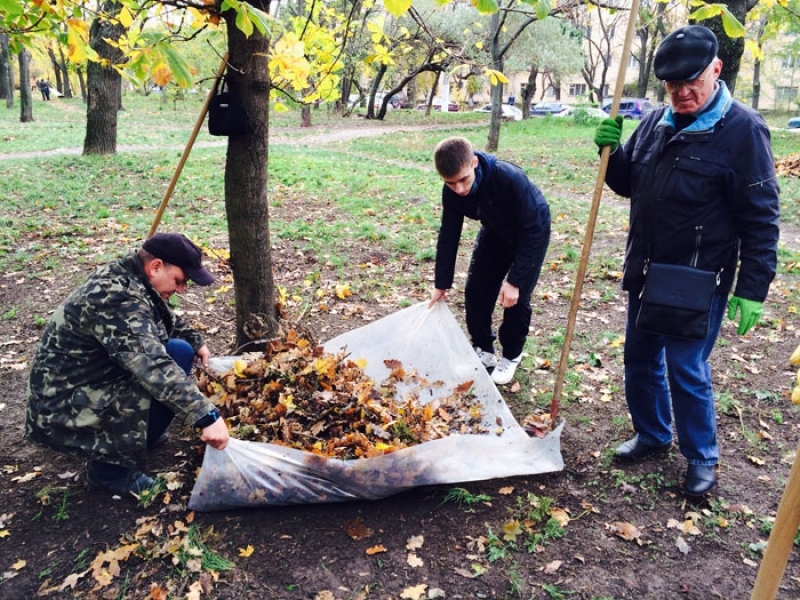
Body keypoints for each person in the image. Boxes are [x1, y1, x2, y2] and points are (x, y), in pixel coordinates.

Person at [593, 25, 780, 496]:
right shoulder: (655, 121)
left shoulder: (743, 130)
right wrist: (610, 152)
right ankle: (653, 434)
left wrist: (753, 288)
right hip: (647, 269)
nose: (682, 92)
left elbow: (761, 218)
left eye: (691, 81)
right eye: (672, 85)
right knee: (638, 359)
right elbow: (629, 183)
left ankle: (702, 457)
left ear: (716, 70)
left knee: (685, 366)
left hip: (698, 277)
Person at [26, 232, 229, 496]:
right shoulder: (117, 297)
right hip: (61, 408)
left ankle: (140, 436)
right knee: (167, 367)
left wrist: (194, 338)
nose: (181, 290)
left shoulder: (129, 277)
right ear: (156, 266)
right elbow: (153, 366)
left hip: (84, 386)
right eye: (179, 281)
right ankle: (108, 473)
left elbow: (157, 314)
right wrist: (207, 416)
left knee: (180, 350)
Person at [428, 137, 551, 385]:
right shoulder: (451, 191)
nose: (459, 189)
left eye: (463, 180)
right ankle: (484, 349)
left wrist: (515, 280)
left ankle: (511, 355)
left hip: (530, 231)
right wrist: (441, 283)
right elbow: (449, 233)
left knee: (514, 300)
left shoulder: (509, 178)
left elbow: (533, 231)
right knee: (476, 291)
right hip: (494, 231)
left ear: (474, 163)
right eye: (450, 183)